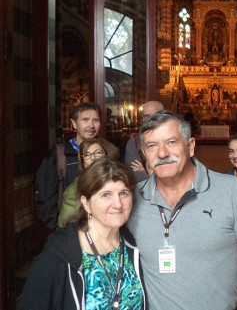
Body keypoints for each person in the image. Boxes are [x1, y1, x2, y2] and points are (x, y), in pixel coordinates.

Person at [127, 110, 237, 310]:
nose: (162, 153)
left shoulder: (232, 191)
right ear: (144, 154)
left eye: (171, 142)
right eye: (152, 146)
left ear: (191, 146)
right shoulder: (131, 200)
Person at [19, 158, 145, 310]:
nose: (118, 204)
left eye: (123, 193)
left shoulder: (135, 247)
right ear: (86, 203)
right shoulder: (56, 259)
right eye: (106, 195)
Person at [36, 101, 102, 229]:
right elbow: (45, 195)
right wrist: (58, 228)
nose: (91, 125)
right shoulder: (60, 154)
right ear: (74, 124)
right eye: (85, 120)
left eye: (96, 120)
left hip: (100, 227)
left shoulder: (105, 152)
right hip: (69, 228)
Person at [58, 137, 120, 227]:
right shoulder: (74, 189)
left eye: (98, 152)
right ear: (83, 163)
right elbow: (65, 222)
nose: (93, 158)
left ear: (107, 155)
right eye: (87, 155)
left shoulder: (119, 181)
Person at [124, 100, 164, 182]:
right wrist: (149, 176)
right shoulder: (134, 144)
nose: (150, 120)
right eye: (146, 116)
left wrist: (147, 174)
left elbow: (173, 177)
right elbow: (135, 177)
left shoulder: (172, 141)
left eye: (154, 116)